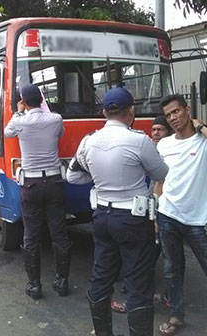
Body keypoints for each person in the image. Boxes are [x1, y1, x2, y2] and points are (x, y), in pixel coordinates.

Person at [67, 87, 168, 336]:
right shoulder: (139, 140)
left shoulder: (88, 142)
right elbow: (162, 174)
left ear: (104, 112)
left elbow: (72, 175)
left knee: (101, 278)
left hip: (102, 217)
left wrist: (99, 176)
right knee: (138, 285)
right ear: (131, 111)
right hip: (133, 220)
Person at [4, 84, 72, 300]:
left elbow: (7, 133)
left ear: (24, 101)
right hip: (53, 182)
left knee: (31, 235)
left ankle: (34, 286)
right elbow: (59, 133)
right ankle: (62, 282)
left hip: (30, 184)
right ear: (42, 98)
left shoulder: (19, 121)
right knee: (59, 232)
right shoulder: (56, 119)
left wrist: (18, 110)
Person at [154, 94, 207, 336]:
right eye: (168, 115)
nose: (173, 118)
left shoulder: (202, 141)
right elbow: (160, 179)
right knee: (172, 269)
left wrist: (202, 126)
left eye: (176, 111)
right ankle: (176, 315)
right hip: (168, 215)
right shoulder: (164, 144)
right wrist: (157, 209)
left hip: (199, 220)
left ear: (187, 110)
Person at [111, 114, 174, 314]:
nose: (155, 133)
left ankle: (156, 297)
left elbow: (160, 183)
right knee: (146, 256)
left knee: (168, 258)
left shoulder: (170, 151)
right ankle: (137, 292)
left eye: (160, 129)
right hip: (148, 210)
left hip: (165, 212)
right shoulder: (146, 148)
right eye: (153, 129)